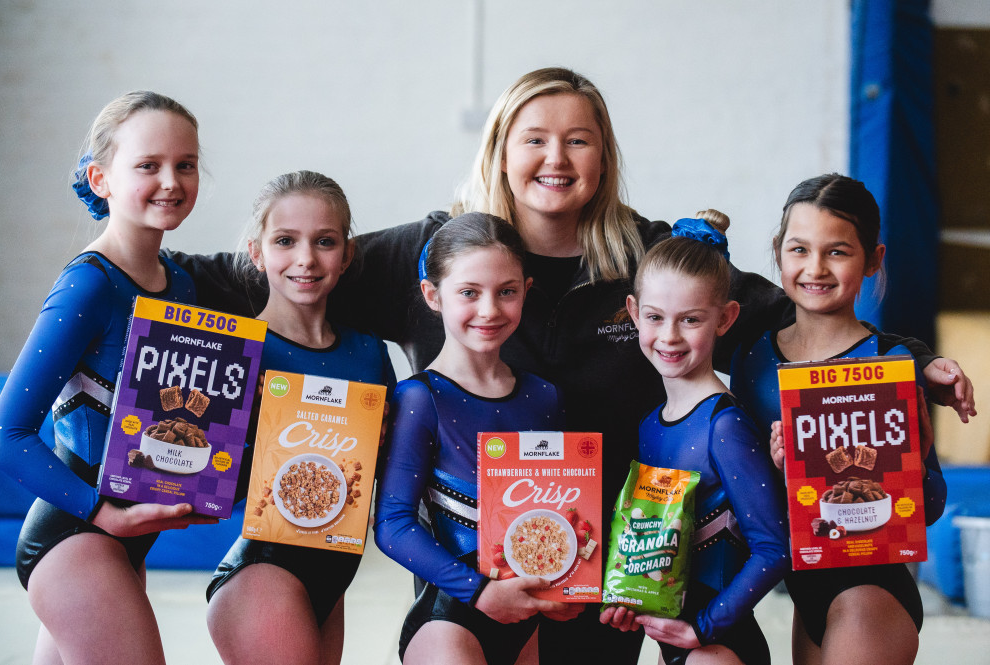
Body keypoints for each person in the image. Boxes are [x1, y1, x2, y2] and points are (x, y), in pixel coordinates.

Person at [167, 67, 973, 663]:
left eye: (578, 139)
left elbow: (801, 318)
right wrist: (127, 278)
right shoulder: (435, 250)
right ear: (502, 149)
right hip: (482, 574)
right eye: (536, 139)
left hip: (623, 576)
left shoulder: (648, 259)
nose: (557, 158)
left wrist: (918, 364)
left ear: (602, 156)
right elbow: (280, 268)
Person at [0, 91, 215, 665]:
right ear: (101, 178)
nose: (171, 180)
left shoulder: (179, 284)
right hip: (74, 538)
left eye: (184, 164)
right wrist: (101, 512)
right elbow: (6, 434)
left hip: (124, 543)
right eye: (148, 165)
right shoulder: (88, 286)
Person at [729, 173, 948, 665]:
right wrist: (774, 469)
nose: (815, 268)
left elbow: (928, 507)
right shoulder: (752, 357)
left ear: (874, 259)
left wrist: (920, 455)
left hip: (872, 593)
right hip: (805, 588)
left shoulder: (891, 361)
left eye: (838, 252)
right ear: (778, 253)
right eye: (799, 249)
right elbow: (748, 494)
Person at [204, 171, 396, 665]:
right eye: (285, 241)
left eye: (324, 241)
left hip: (333, 576)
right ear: (256, 252)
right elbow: (204, 487)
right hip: (263, 575)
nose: (306, 259)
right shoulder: (236, 350)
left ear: (347, 254)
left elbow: (393, 468)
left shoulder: (368, 352)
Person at [373, 212, 582, 665]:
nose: (489, 310)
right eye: (469, 292)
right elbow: (392, 526)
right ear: (433, 295)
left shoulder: (544, 397)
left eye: (506, 292)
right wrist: (480, 591)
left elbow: (559, 512)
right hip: (453, 619)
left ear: (525, 291)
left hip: (528, 618)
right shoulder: (420, 398)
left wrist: (572, 582)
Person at [608, 212, 789, 664]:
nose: (669, 336)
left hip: (720, 645)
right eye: (654, 317)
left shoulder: (724, 427)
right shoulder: (651, 423)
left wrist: (703, 627)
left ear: (725, 318)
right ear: (633, 312)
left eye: (690, 320)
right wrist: (634, 598)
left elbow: (773, 547)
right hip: (677, 641)